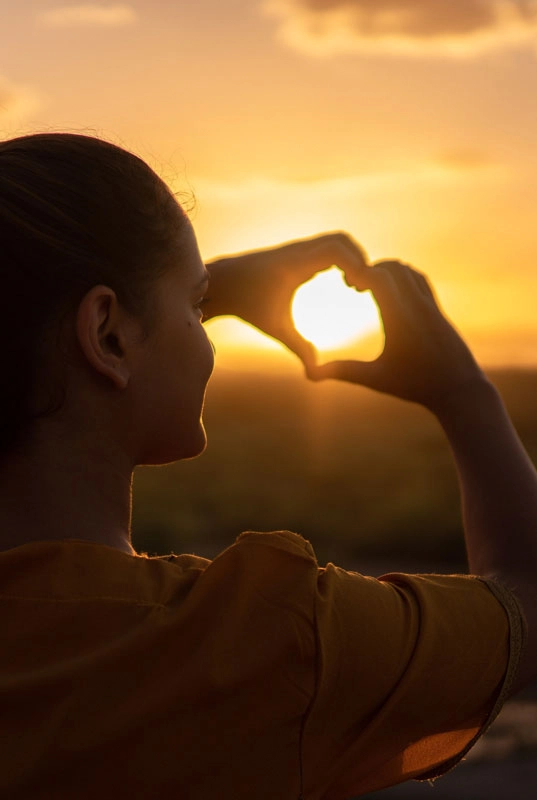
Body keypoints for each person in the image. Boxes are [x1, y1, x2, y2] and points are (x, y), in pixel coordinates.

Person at [0, 132, 535, 800]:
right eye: (196, 307)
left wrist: (184, 288)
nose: (206, 332)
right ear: (106, 333)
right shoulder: (260, 642)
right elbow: (529, 598)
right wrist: (463, 393)